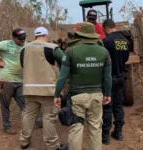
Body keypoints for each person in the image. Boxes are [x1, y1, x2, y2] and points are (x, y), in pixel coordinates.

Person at [54, 22, 112, 150]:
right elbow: (107, 77)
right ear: (93, 35)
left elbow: (63, 77)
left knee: (76, 128)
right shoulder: (104, 52)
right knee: (96, 129)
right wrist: (107, 94)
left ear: (80, 35)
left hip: (77, 97)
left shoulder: (70, 51)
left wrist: (57, 95)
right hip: (96, 96)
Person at [19, 27, 68, 150]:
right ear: (46, 35)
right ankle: (52, 146)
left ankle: (24, 141)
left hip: (29, 90)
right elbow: (65, 62)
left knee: (28, 115)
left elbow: (22, 65)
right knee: (49, 117)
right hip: (48, 91)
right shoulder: (52, 48)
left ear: (35, 36)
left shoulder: (24, 49)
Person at [0, 28, 27, 135]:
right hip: (6, 79)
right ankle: (7, 126)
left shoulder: (25, 44)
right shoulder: (7, 44)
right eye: (20, 39)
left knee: (24, 102)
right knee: (5, 103)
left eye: (24, 38)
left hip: (19, 79)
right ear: (14, 38)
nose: (23, 40)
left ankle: (33, 122)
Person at [101, 19, 130, 145]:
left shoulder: (106, 41)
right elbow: (126, 58)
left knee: (107, 106)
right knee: (118, 105)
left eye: (103, 30)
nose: (104, 32)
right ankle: (118, 133)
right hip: (121, 77)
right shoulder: (125, 41)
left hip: (109, 78)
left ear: (106, 28)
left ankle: (105, 136)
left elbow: (102, 60)